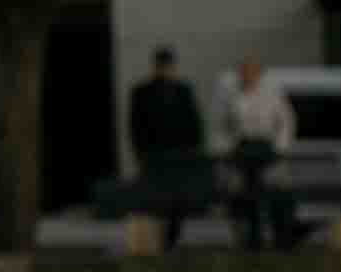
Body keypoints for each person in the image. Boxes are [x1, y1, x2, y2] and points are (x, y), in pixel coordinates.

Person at [127, 45, 207, 251]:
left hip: (179, 155)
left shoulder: (183, 91)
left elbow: (194, 123)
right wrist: (140, 153)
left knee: (178, 201)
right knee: (155, 200)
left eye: (167, 66)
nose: (165, 70)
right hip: (154, 155)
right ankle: (159, 240)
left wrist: (194, 152)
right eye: (162, 66)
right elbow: (136, 125)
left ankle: (170, 238)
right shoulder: (141, 92)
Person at [218, 54, 299, 252]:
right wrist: (228, 147)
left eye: (252, 72)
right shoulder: (232, 96)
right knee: (246, 195)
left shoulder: (272, 94)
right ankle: (252, 240)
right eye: (244, 72)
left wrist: (280, 148)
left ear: (259, 74)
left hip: (266, 146)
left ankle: (281, 239)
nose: (247, 75)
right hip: (243, 147)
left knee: (273, 192)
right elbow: (224, 125)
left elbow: (286, 121)